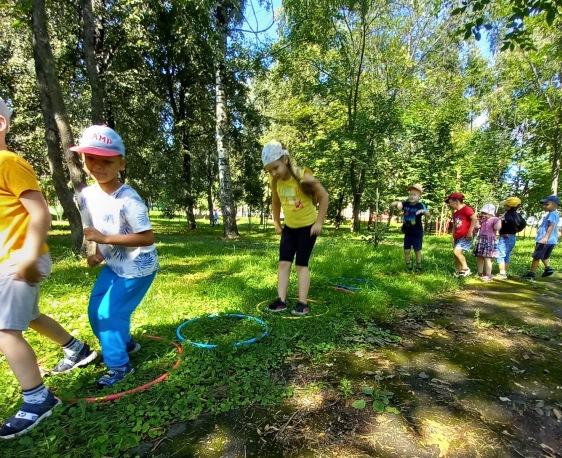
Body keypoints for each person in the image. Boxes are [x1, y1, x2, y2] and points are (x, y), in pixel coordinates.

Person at [0, 97, 97, 440]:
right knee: (28, 317)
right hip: (10, 258)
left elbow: (39, 213)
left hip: (18, 257)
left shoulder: (7, 162)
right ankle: (77, 349)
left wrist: (27, 255)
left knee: (4, 330)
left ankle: (37, 398)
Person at [70, 125, 159, 387]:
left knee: (109, 313)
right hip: (114, 264)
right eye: (91, 158)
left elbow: (146, 237)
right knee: (96, 311)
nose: (97, 165)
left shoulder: (129, 199)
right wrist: (97, 252)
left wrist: (105, 240)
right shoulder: (85, 196)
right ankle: (124, 343)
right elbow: (93, 229)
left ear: (121, 163)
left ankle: (119, 366)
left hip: (138, 267)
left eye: (106, 160)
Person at [262, 140, 328, 316]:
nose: (273, 173)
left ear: (284, 159)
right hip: (290, 227)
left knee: (301, 264)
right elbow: (276, 202)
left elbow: (324, 196)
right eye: (269, 170)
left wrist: (319, 222)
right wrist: (276, 222)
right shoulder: (275, 182)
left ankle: (302, 303)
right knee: (283, 263)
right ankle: (281, 300)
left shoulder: (302, 176)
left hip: (308, 227)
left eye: (275, 168)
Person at [390, 184, 430, 272]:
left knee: (417, 250)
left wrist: (423, 211)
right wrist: (398, 203)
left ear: (419, 197)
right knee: (406, 250)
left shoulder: (420, 205)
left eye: (415, 194)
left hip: (417, 232)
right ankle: (408, 266)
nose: (412, 196)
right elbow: (392, 204)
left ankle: (418, 266)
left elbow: (428, 215)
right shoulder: (405, 203)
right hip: (407, 231)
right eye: (410, 194)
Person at [522, 195, 559, 280]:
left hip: (545, 240)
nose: (544, 206)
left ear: (554, 205)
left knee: (536, 257)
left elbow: (551, 226)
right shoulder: (554, 214)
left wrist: (545, 237)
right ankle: (548, 268)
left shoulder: (552, 214)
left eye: (547, 204)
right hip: (552, 240)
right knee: (544, 256)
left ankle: (531, 274)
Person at [445, 192, 478, 277]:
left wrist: (470, 231)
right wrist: (453, 238)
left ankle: (466, 269)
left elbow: (474, 218)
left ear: (456, 201)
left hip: (466, 235)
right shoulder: (455, 213)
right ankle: (458, 272)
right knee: (456, 254)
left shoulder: (466, 209)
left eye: (450, 202)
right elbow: (455, 226)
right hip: (458, 236)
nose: (449, 205)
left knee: (457, 252)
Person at [496, 197, 526, 279]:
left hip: (505, 237)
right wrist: (515, 231)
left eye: (505, 205)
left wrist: (505, 231)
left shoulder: (507, 215)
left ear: (509, 206)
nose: (504, 207)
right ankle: (504, 272)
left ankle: (502, 273)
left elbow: (506, 223)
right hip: (512, 237)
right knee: (507, 255)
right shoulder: (518, 215)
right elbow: (523, 224)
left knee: (501, 254)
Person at [472, 204, 501, 281]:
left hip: (489, 240)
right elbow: (477, 226)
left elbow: (497, 228)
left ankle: (489, 274)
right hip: (481, 239)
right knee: (480, 257)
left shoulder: (495, 219)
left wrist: (499, 220)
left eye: (485, 213)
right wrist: (477, 219)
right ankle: (480, 272)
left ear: (490, 213)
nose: (483, 215)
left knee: (487, 258)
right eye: (482, 213)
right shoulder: (483, 220)